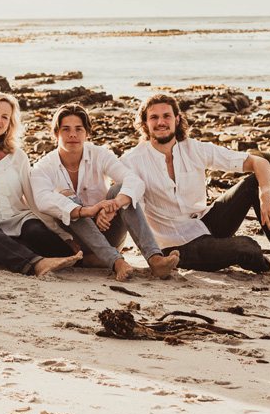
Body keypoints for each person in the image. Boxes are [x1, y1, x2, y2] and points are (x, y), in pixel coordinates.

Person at [121, 94, 270, 282]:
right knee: (247, 247)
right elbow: (120, 201)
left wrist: (265, 193)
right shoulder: (132, 161)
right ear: (145, 124)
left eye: (166, 116)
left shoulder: (194, 148)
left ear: (176, 119)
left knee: (254, 183)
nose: (161, 122)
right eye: (154, 117)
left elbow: (259, 163)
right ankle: (265, 264)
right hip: (176, 247)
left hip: (206, 223)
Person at [31, 104, 180, 281]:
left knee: (120, 189)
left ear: (87, 133)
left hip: (108, 231)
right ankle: (115, 261)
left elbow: (135, 181)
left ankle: (155, 259)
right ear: (56, 134)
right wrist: (88, 211)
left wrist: (113, 205)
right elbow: (42, 200)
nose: (72, 134)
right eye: (66, 129)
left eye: (79, 129)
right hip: (76, 241)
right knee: (65, 196)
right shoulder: (43, 166)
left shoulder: (99, 154)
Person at [0, 92, 83, 276]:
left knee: (38, 234)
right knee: (6, 244)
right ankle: (41, 263)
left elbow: (33, 200)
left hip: (20, 219)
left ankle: (83, 259)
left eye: (5, 117)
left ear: (9, 124)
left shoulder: (18, 156)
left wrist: (61, 235)